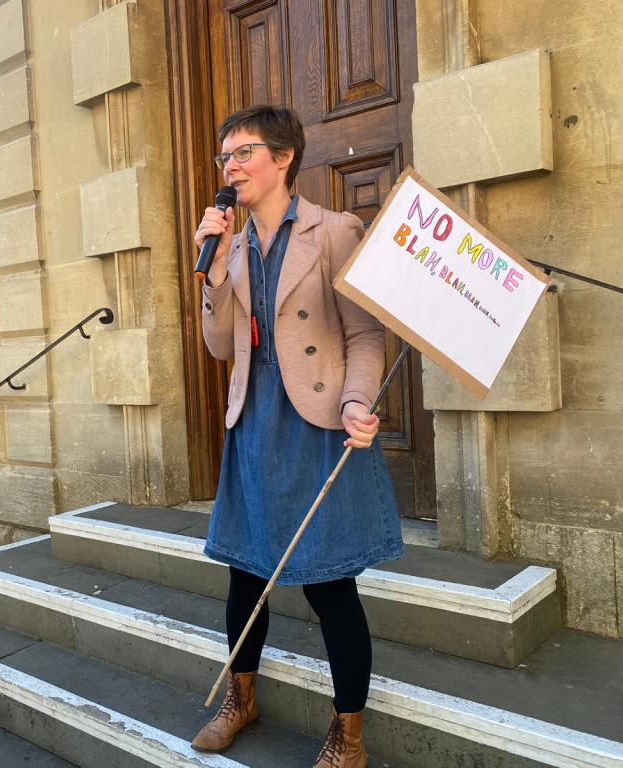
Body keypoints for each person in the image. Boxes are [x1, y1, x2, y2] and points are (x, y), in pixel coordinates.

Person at [191, 106, 403, 768]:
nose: (231, 168)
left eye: (244, 153)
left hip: (317, 428)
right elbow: (220, 342)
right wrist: (216, 265)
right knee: (244, 577)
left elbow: (367, 333)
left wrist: (357, 401)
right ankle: (241, 697)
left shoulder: (335, 231)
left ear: (283, 158)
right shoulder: (230, 244)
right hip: (254, 424)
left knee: (329, 586)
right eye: (224, 157)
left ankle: (349, 734)